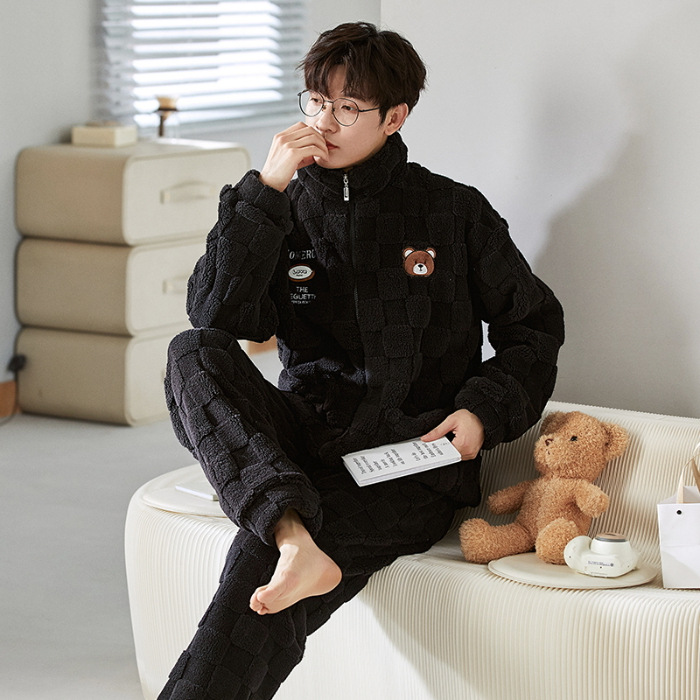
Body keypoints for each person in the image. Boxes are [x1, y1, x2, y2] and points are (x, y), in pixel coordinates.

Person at [161, 21, 565, 700]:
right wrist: (265, 189)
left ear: (394, 117)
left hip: (411, 464)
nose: (324, 122)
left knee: (258, 571)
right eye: (317, 101)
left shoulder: (453, 211)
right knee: (190, 351)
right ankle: (291, 530)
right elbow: (217, 316)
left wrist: (481, 411)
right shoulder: (280, 205)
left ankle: (286, 534)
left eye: (348, 108)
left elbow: (534, 325)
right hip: (305, 439)